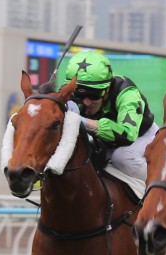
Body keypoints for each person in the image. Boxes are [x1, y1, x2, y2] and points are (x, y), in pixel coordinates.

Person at [56, 51, 157, 182]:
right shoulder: (70, 93)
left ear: (107, 89)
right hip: (106, 140)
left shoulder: (127, 93)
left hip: (142, 136)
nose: (86, 102)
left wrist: (82, 121)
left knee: (122, 157)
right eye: (80, 95)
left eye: (93, 94)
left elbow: (128, 134)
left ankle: (160, 190)